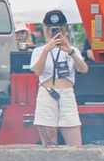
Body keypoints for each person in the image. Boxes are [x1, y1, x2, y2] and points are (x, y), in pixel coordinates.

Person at [31, 10, 86, 147]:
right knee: (49, 146)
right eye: (51, 29)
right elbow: (38, 71)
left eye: (58, 29)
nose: (55, 32)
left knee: (75, 145)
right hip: (47, 93)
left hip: (67, 94)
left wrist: (70, 51)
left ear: (64, 29)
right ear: (46, 30)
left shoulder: (72, 49)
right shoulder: (38, 51)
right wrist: (46, 50)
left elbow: (83, 69)